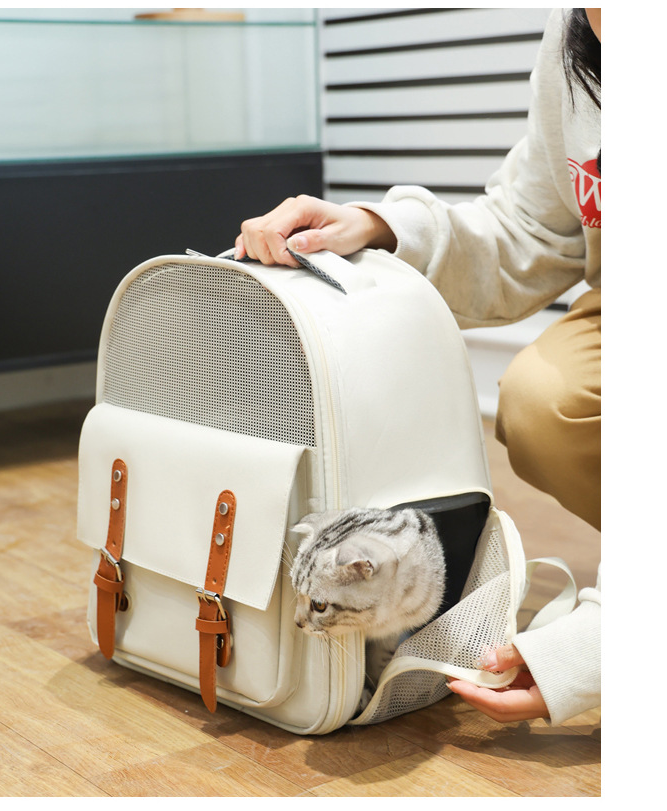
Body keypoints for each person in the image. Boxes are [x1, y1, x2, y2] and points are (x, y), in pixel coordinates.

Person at [235, 8, 601, 726]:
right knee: (543, 401)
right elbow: (532, 226)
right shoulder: (576, 35)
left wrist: (598, 647)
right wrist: (383, 226)